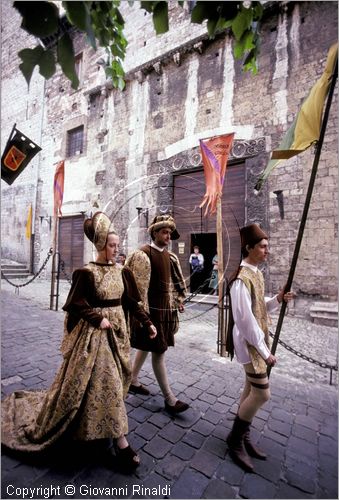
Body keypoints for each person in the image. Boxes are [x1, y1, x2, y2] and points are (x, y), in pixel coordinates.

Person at [1, 212, 157, 472]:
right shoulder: (86, 273)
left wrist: (147, 321)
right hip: (95, 338)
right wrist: (97, 319)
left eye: (118, 246)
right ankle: (121, 442)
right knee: (105, 378)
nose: (116, 250)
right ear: (100, 245)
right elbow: (73, 304)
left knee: (113, 381)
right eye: (111, 245)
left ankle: (93, 423)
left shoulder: (122, 272)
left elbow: (130, 301)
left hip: (118, 335)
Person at [226, 223, 294, 472]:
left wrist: (277, 299)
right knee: (262, 393)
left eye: (267, 246)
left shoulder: (256, 273)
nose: (267, 250)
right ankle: (234, 440)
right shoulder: (240, 279)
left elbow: (259, 307)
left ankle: (242, 435)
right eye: (263, 246)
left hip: (257, 340)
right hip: (248, 343)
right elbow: (244, 319)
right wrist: (265, 353)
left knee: (250, 388)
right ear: (249, 248)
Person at [125, 214, 189, 415]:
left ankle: (133, 381)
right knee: (159, 351)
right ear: (154, 233)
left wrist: (178, 301)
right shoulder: (142, 254)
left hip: (165, 310)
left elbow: (175, 284)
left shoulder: (170, 257)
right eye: (164, 232)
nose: (168, 236)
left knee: (147, 347)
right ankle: (170, 399)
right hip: (149, 311)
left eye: (170, 233)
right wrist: (140, 315)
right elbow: (133, 287)